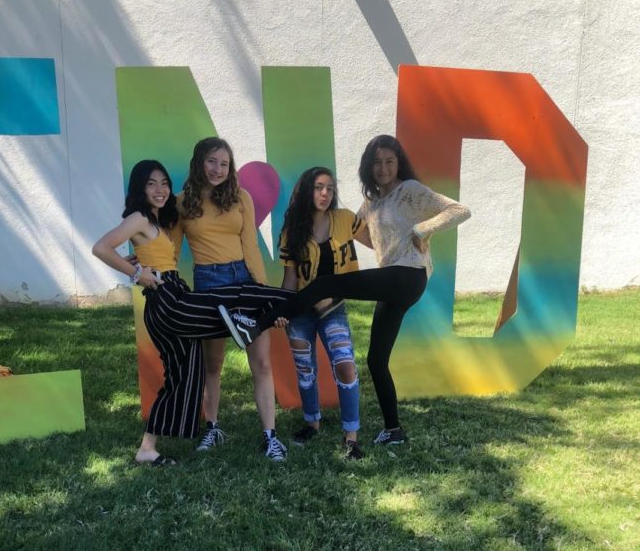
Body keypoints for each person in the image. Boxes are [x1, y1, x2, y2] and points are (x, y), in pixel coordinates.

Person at [219, 135, 471, 447]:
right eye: (377, 162)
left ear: (399, 163)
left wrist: (423, 229)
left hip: (410, 275)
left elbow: (459, 210)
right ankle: (394, 431)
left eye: (389, 161)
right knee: (376, 361)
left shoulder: (411, 191)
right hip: (391, 281)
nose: (383, 168)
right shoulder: (369, 205)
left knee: (325, 284)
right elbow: (368, 238)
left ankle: (256, 326)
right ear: (368, 167)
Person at [92, 159, 291, 465]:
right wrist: (137, 274)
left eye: (164, 183)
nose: (159, 190)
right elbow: (101, 247)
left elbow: (143, 251)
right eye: (151, 183)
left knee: (184, 375)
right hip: (167, 299)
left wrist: (137, 262)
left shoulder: (155, 222)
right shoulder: (138, 218)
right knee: (232, 299)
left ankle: (148, 448)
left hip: (172, 292)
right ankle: (276, 308)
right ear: (139, 188)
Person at [178, 137, 286, 461]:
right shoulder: (183, 202)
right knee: (213, 365)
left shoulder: (241, 197)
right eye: (212, 161)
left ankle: (270, 437)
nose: (218, 169)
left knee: (262, 363)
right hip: (208, 284)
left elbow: (251, 246)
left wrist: (265, 294)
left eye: (224, 163)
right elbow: (167, 249)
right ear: (200, 162)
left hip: (244, 280)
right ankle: (212, 429)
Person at [279, 166, 365, 461]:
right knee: (305, 370)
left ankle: (351, 435)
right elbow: (290, 279)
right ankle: (311, 422)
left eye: (329, 187)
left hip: (334, 308)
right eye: (318, 187)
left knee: (345, 366)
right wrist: (284, 310)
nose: (325, 193)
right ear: (307, 191)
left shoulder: (344, 219)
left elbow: (378, 238)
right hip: (301, 311)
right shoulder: (292, 229)